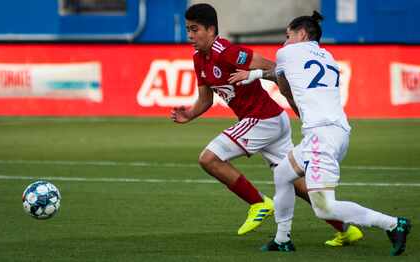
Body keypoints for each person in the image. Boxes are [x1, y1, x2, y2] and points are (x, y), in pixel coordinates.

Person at [172, 3, 362, 245]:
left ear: (211, 29)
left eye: (195, 29)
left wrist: (256, 75)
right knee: (295, 184)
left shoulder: (229, 52)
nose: (190, 35)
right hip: (270, 120)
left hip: (263, 118)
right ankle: (346, 229)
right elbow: (206, 99)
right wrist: (189, 114)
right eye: (188, 29)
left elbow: (274, 68)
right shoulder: (199, 59)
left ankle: (259, 203)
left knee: (209, 158)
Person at [229, 11, 411, 255]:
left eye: (287, 36)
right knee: (283, 173)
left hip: (320, 136)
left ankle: (392, 224)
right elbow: (290, 75)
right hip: (335, 132)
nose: (283, 43)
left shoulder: (287, 53)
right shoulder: (328, 57)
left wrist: (255, 75)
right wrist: (259, 75)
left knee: (324, 207)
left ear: (302, 34)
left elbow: (283, 84)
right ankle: (282, 239)